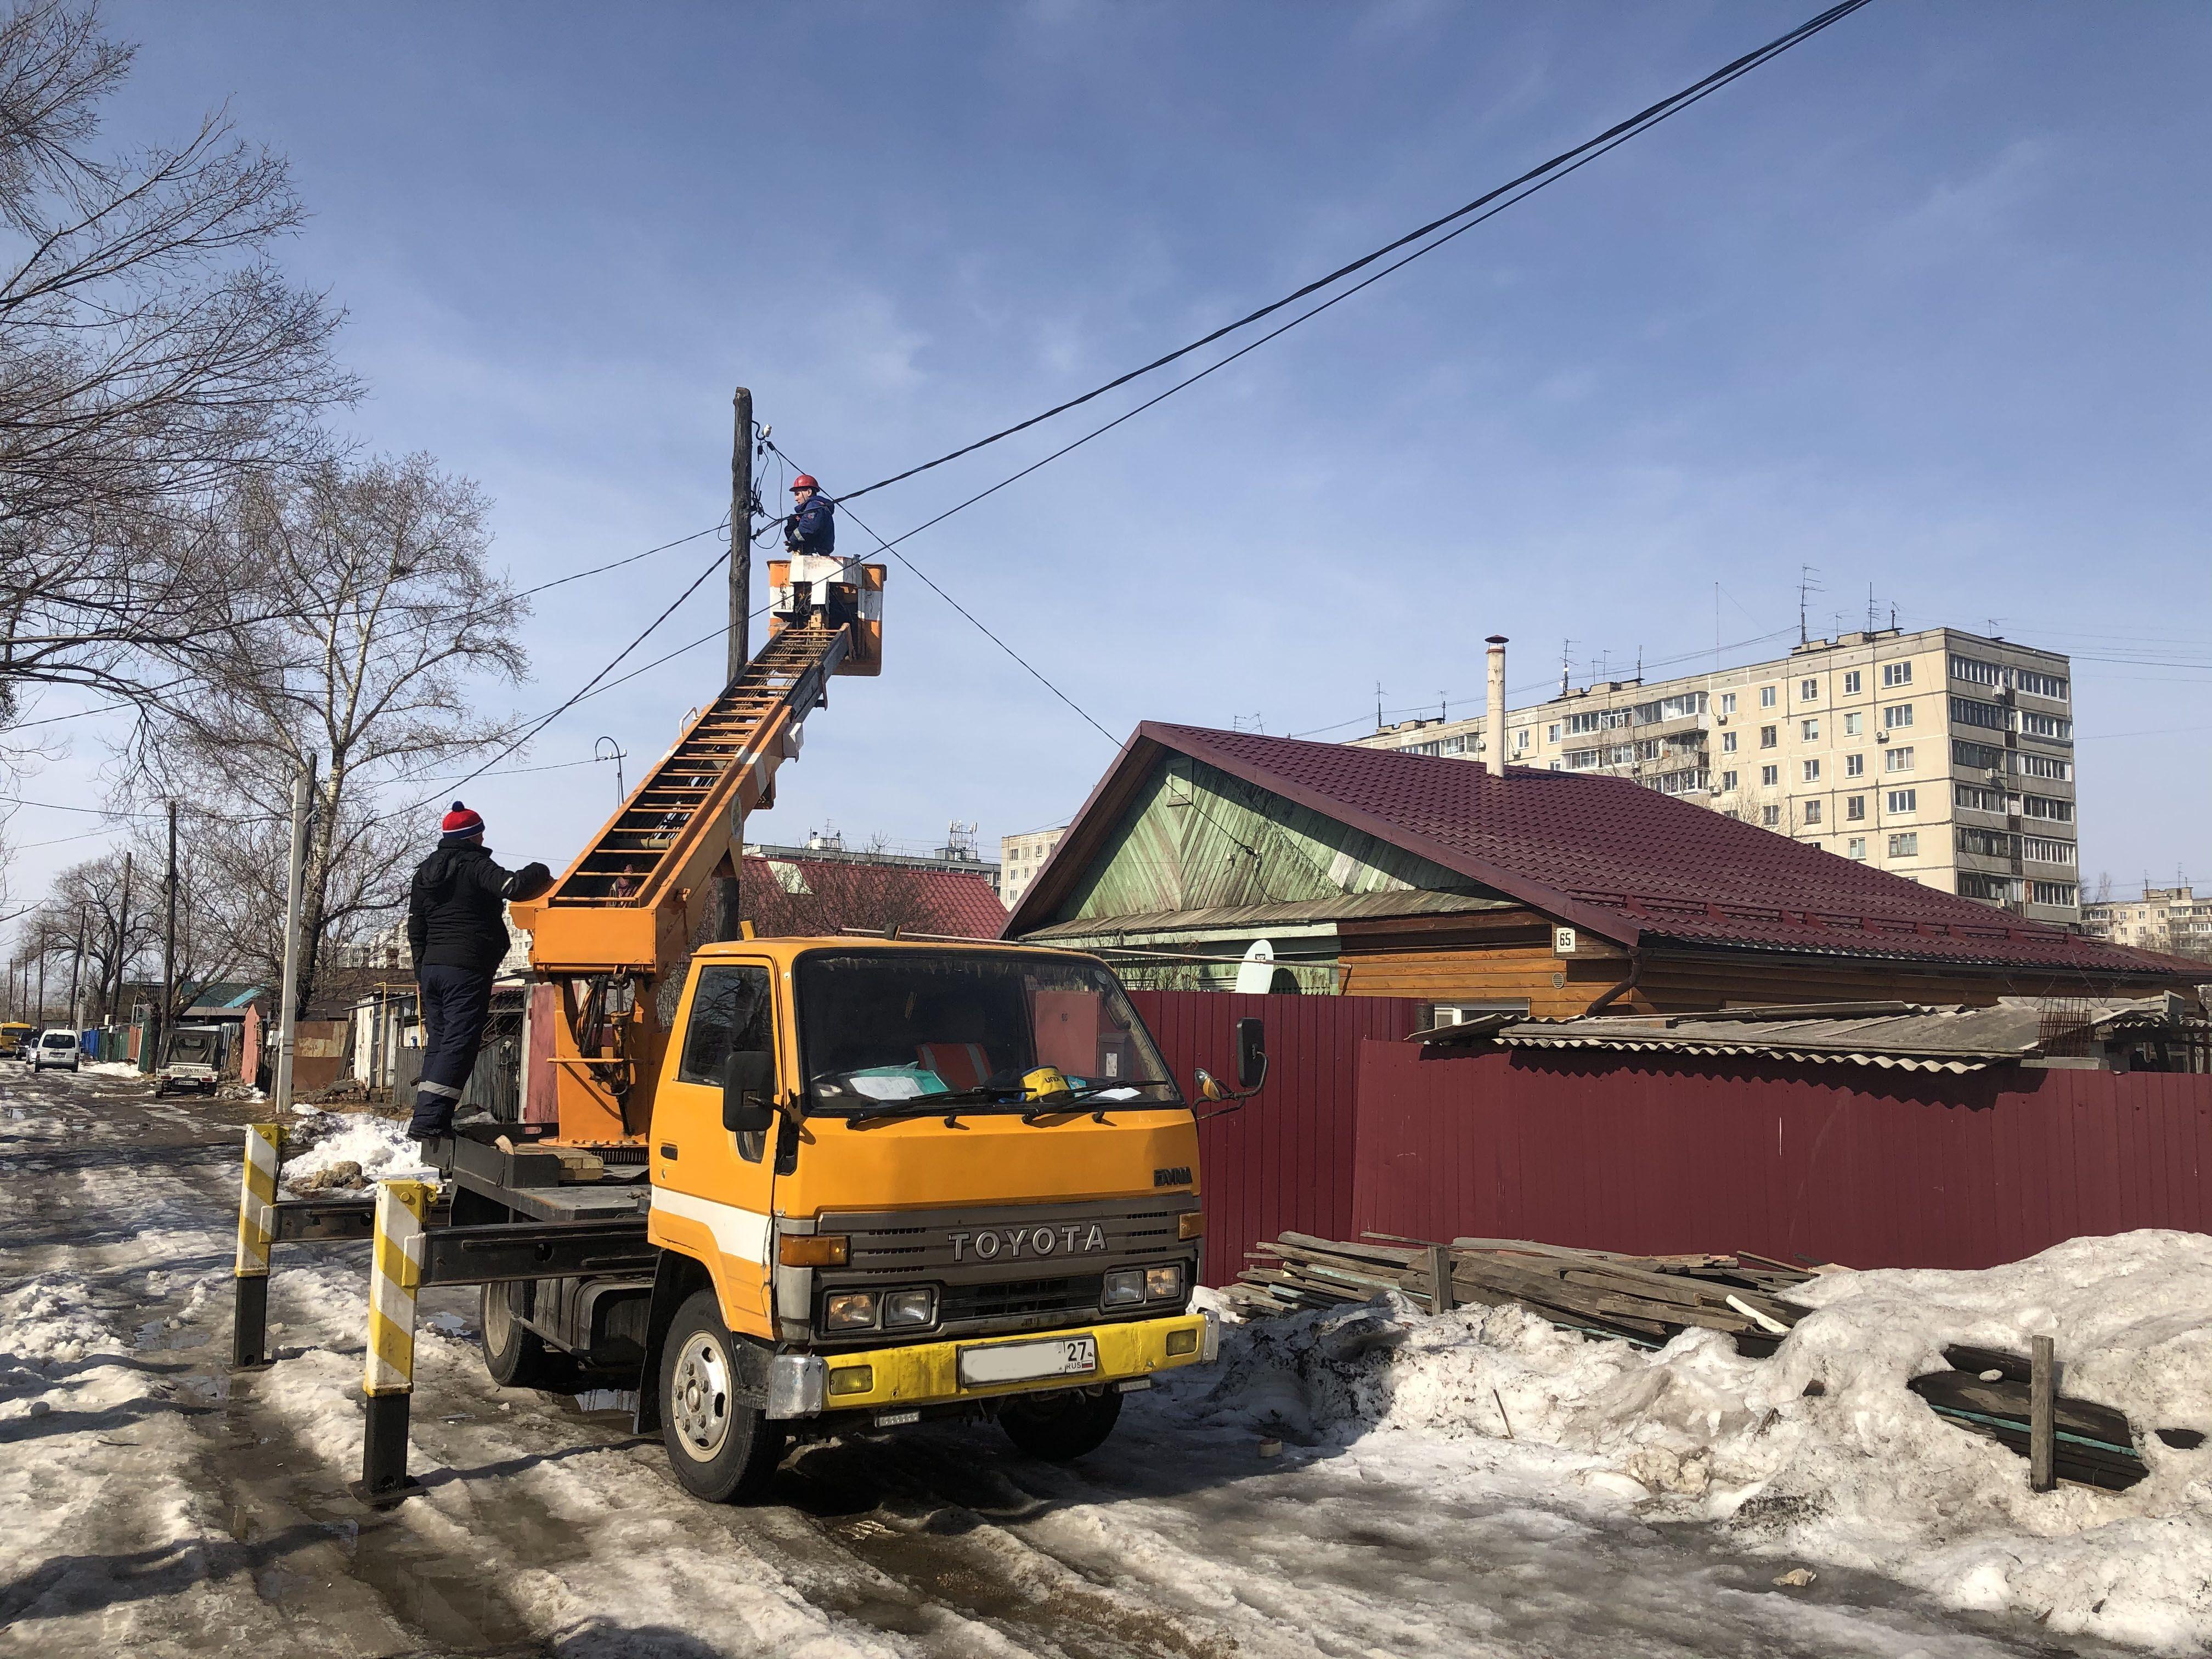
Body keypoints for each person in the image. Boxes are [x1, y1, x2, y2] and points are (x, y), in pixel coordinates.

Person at [406, 802, 550, 1141]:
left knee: (440, 1045)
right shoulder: (474, 865)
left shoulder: (425, 872)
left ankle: (434, 1120)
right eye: (481, 832)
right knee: (459, 1044)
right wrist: (539, 869)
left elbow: (417, 925)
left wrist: (422, 969)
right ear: (474, 835)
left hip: (433, 971)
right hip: (466, 968)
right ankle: (427, 1122)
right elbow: (514, 887)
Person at [785, 473, 834, 557]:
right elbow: (803, 535)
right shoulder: (812, 509)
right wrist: (791, 528)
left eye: (798, 494)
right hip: (816, 555)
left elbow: (808, 528)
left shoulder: (814, 506)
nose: (796, 499)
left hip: (816, 555)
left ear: (809, 492)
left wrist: (793, 540)